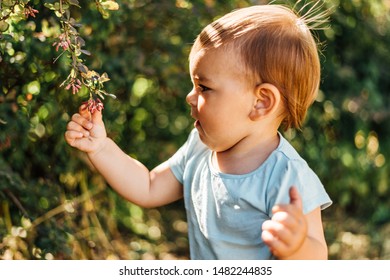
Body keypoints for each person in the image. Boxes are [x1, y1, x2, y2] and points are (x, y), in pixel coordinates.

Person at [65, 4, 332, 260]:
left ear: (260, 102)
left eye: (203, 87)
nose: (189, 97)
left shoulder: (287, 176)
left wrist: (297, 247)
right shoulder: (200, 148)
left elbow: (317, 255)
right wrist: (101, 148)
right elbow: (148, 186)